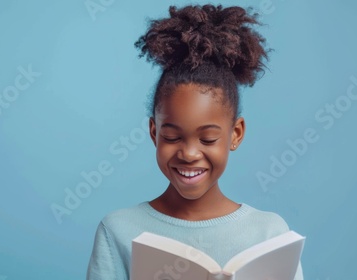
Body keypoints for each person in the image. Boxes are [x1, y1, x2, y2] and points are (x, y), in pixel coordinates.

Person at [86, 3, 303, 280]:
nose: (189, 153)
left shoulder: (270, 233)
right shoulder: (118, 230)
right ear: (154, 133)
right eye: (172, 137)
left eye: (208, 138)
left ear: (235, 134)